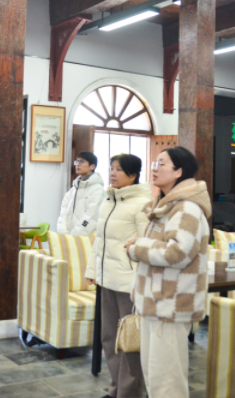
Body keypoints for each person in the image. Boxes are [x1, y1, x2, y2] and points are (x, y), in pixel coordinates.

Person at [124, 147, 211, 398]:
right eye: (154, 163)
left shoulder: (187, 208)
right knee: (155, 377)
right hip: (156, 303)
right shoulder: (168, 204)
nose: (154, 168)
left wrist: (137, 247)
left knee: (167, 382)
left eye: (161, 164)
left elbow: (177, 253)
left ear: (178, 172)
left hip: (170, 305)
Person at [84, 153, 151, 398]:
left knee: (130, 341)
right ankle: (115, 390)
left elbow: (146, 245)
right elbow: (100, 241)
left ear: (133, 175)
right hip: (106, 280)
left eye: (119, 169)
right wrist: (92, 270)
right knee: (109, 338)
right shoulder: (108, 200)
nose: (112, 173)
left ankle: (129, 393)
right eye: (111, 168)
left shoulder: (143, 203)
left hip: (129, 284)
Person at [57, 151, 105, 237]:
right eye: (77, 161)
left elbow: (91, 216)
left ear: (92, 166)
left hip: (86, 238)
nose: (78, 164)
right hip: (68, 237)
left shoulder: (98, 190)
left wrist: (74, 235)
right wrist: (63, 232)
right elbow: (63, 212)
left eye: (82, 161)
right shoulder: (72, 190)